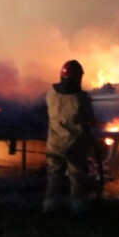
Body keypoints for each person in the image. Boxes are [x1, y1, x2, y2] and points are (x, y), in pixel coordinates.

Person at [44, 59, 96, 215]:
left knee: (54, 177)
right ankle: (78, 209)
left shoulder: (51, 95)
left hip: (55, 144)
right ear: (78, 78)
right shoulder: (80, 99)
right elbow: (89, 117)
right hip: (75, 146)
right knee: (77, 178)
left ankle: (50, 207)